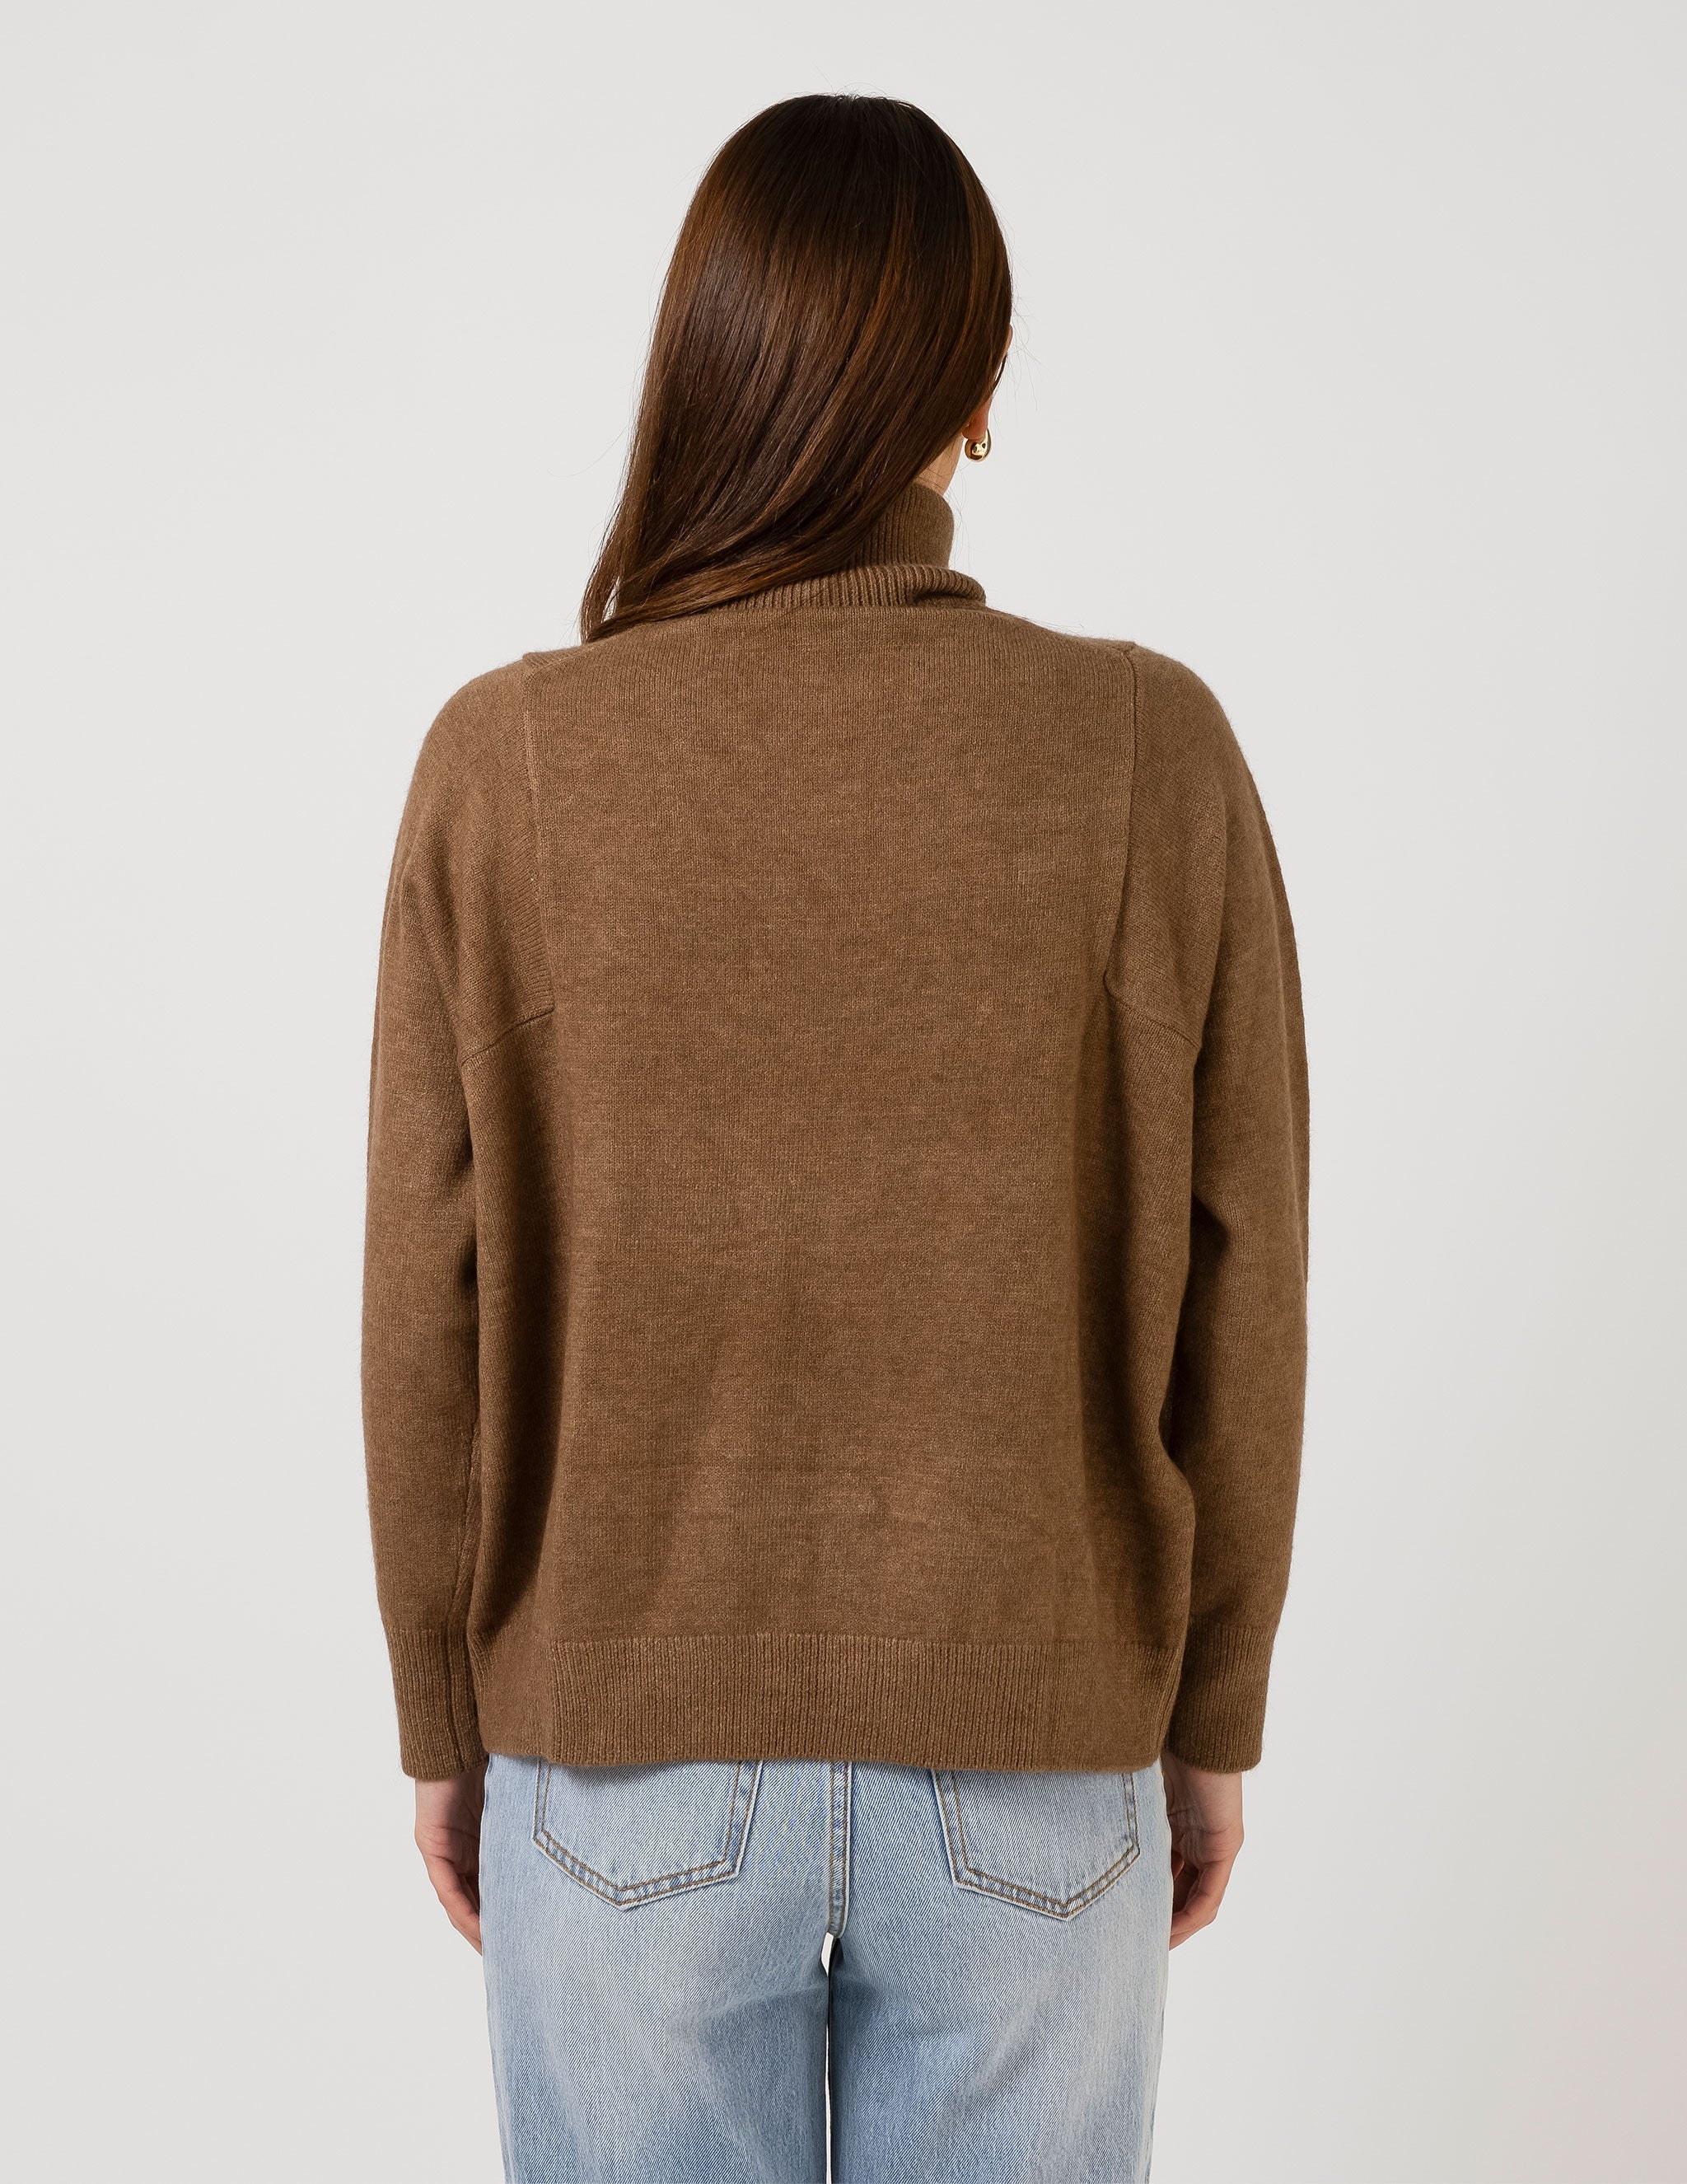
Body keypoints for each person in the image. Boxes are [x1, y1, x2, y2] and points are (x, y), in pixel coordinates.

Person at [362, 91, 1309, 2184]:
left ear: (701, 367)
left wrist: (446, 1721)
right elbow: (1248, 1271)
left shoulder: (505, 763)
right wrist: (1210, 1713)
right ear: (973, 397)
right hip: (1036, 1753)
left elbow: (427, 1302)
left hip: (619, 1762)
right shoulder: (1150, 747)